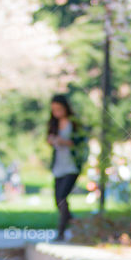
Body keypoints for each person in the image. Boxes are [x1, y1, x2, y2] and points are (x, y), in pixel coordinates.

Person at [46, 93, 85, 242]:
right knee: (58, 199)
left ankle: (61, 232)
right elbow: (48, 138)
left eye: (59, 109)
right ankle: (75, 222)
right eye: (54, 110)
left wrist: (65, 142)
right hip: (58, 166)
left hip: (72, 165)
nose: (57, 113)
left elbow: (81, 140)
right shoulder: (53, 124)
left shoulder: (74, 123)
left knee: (62, 197)